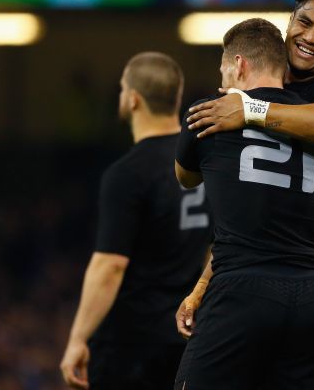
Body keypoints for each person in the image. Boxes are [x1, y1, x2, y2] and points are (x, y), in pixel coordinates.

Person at [183, 0, 314, 390]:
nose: (310, 37)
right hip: (291, 293)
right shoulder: (270, 86)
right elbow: (245, 219)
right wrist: (202, 286)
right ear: (289, 21)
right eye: (304, 23)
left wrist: (251, 109)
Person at [59, 52, 212, 390]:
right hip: (188, 337)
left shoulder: (127, 173)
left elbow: (110, 265)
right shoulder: (203, 160)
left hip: (132, 346)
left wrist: (78, 338)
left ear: (132, 99)